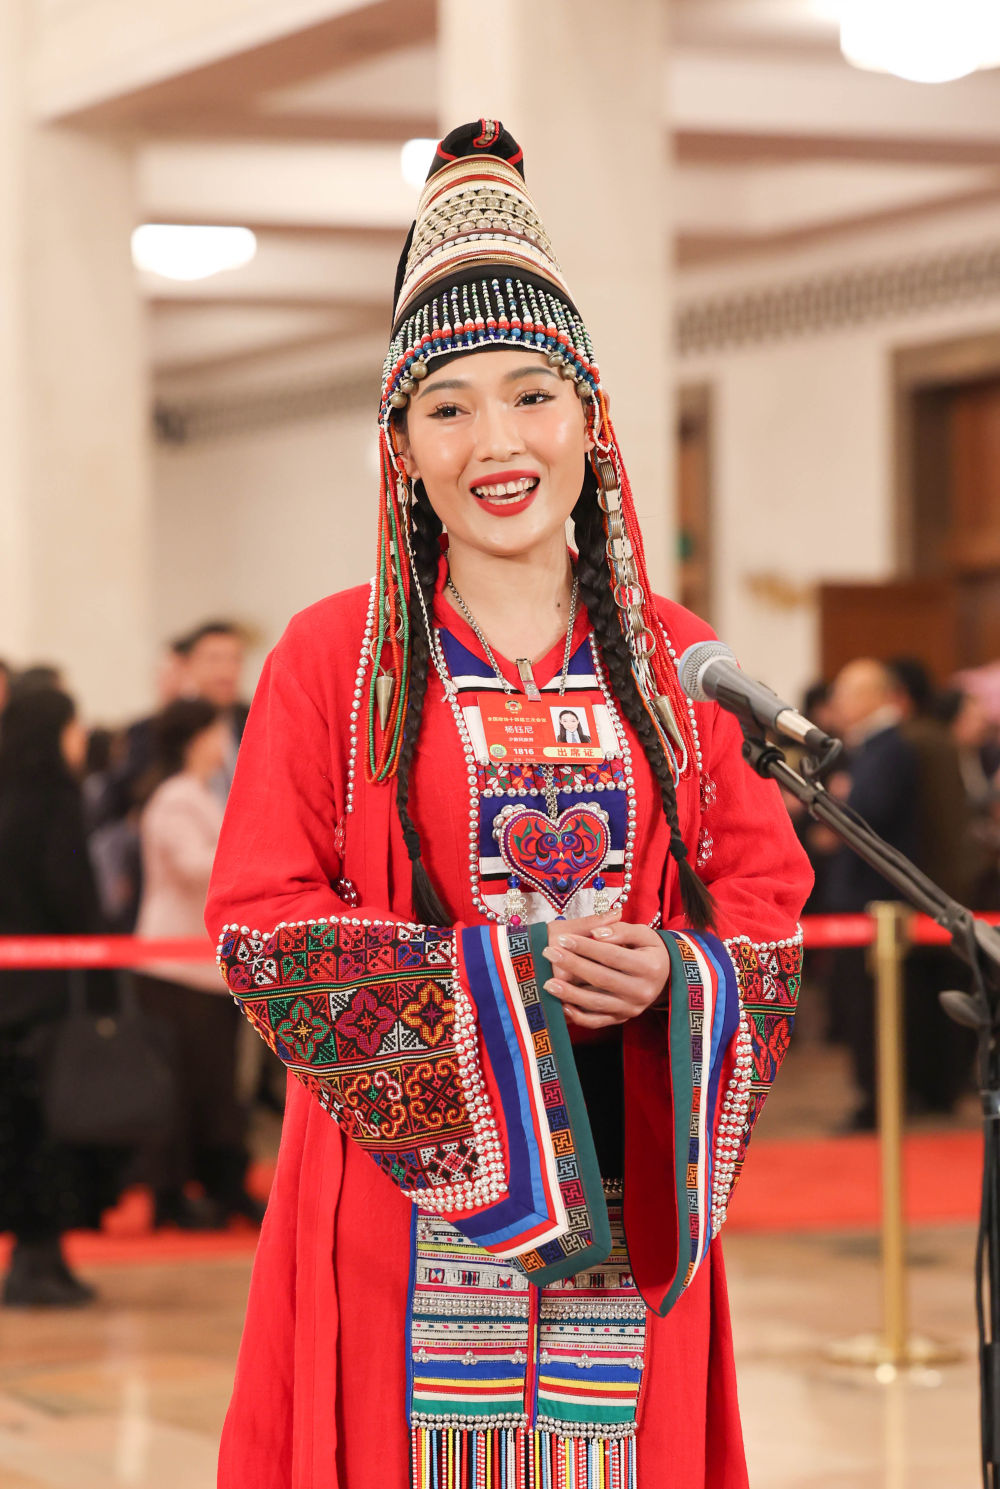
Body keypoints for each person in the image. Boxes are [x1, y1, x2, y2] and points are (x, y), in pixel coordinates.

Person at [205, 121, 811, 1489]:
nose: (498, 441)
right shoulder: (333, 659)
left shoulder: (676, 659)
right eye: (449, 406)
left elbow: (766, 898)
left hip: (631, 1167)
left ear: (590, 418)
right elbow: (258, 921)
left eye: (533, 394)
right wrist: (491, 985)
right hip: (401, 1191)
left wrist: (678, 973)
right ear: (401, 444)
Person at [0, 688, 111, 1306]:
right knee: (49, 1126)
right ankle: (38, 1260)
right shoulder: (55, 801)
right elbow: (70, 891)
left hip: (8, 993)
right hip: (47, 993)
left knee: (15, 1127)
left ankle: (39, 1257)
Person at [134, 700, 263, 1228]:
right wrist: (256, 856)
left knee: (211, 1085)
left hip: (200, 969)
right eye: (215, 733)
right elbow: (194, 866)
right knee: (183, 1087)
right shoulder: (177, 797)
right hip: (175, 968)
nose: (223, 744)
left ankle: (217, 1187)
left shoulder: (199, 794)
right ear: (196, 740)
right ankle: (173, 1193)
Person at [826, 659, 919, 1129]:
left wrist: (841, 799)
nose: (838, 703)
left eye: (846, 693)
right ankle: (873, 1096)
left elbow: (872, 813)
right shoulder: (873, 746)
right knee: (861, 1009)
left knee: (873, 1011)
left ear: (871, 696)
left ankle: (878, 1101)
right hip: (863, 898)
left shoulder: (889, 747)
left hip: (872, 899)